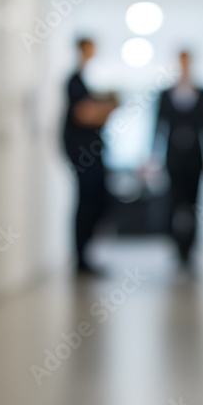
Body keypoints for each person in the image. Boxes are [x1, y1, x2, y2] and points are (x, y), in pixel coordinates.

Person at [153, 50, 203, 267]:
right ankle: (176, 248)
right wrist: (154, 156)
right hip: (173, 157)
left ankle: (190, 250)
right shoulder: (165, 94)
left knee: (193, 204)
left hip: (194, 157)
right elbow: (158, 127)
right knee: (173, 202)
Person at [62, 38, 119, 275]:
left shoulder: (85, 83)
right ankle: (80, 259)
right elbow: (85, 115)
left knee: (99, 201)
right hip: (82, 154)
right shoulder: (74, 81)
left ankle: (85, 254)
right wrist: (108, 107)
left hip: (93, 152)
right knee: (87, 203)